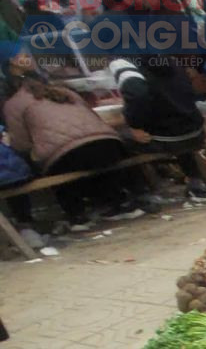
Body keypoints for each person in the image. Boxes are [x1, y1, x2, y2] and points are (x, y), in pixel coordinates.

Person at [3, 54, 158, 230]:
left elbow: (22, 145)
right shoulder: (66, 92)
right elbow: (93, 119)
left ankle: (77, 216)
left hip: (68, 158)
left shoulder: (13, 104)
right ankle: (121, 202)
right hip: (109, 146)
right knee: (86, 153)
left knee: (52, 161)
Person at [107, 58, 206, 203]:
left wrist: (134, 125)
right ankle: (196, 182)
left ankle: (142, 193)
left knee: (116, 140)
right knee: (172, 126)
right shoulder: (164, 57)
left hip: (166, 141)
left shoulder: (122, 61)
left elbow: (137, 93)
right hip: (196, 133)